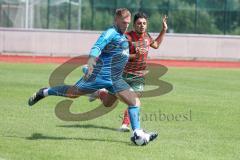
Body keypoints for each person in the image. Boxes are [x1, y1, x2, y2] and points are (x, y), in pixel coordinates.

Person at [28, 8, 157, 145]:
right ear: (116, 20)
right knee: (73, 93)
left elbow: (121, 53)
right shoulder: (110, 33)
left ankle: (137, 133)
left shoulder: (123, 37)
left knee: (134, 102)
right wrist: (90, 62)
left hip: (115, 79)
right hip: (99, 76)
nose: (126, 25)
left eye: (128, 23)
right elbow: (97, 47)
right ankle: (45, 92)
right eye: (123, 22)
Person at [87, 12, 168, 132]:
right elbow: (118, 55)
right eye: (139, 23)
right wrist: (135, 54)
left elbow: (155, 45)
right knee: (108, 103)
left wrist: (164, 30)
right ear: (134, 25)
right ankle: (100, 93)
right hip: (122, 74)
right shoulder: (126, 37)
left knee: (134, 100)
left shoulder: (147, 37)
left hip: (139, 76)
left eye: (144, 23)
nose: (142, 26)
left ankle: (125, 124)